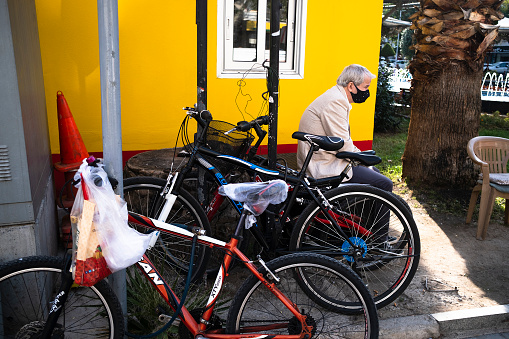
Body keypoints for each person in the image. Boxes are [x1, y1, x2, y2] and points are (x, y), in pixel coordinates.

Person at [296, 64, 393, 193]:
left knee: (375, 173)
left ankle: (363, 212)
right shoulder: (335, 102)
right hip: (324, 166)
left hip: (325, 160)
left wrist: (362, 157)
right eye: (366, 87)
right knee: (384, 183)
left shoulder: (335, 96)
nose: (367, 92)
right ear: (351, 86)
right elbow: (343, 144)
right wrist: (363, 159)